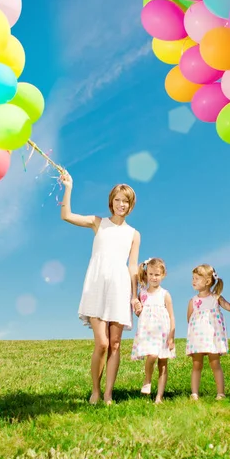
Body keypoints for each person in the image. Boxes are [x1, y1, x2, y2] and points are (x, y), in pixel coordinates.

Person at [60, 172, 141, 405]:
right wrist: (69, 187)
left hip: (119, 287)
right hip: (96, 285)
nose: (121, 204)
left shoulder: (134, 234)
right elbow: (66, 215)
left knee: (115, 344)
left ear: (130, 205)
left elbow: (133, 266)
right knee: (102, 343)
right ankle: (95, 390)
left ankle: (108, 395)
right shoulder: (98, 223)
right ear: (111, 202)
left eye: (125, 201)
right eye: (117, 199)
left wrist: (134, 297)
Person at [186, 264, 230, 400]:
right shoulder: (193, 301)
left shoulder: (216, 298)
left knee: (215, 363)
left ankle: (220, 393)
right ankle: (194, 393)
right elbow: (190, 319)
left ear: (208, 281)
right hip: (198, 338)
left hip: (212, 337)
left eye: (197, 278)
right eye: (193, 278)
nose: (193, 281)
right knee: (196, 364)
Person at [130, 257, 176, 404]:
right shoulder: (142, 293)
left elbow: (171, 316)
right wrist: (137, 309)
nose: (154, 278)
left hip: (162, 333)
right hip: (148, 332)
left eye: (157, 275)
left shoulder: (165, 294)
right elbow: (137, 309)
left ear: (163, 275)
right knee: (152, 355)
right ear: (147, 274)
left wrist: (171, 336)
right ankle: (147, 379)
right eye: (150, 274)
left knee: (163, 363)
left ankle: (159, 397)